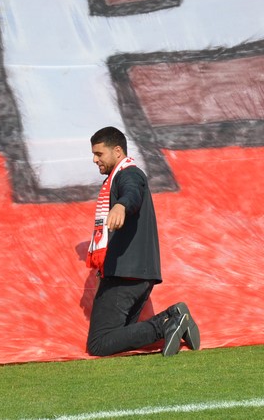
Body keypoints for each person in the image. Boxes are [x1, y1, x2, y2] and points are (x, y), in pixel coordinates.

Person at [85, 126, 200, 356]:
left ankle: (168, 321)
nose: (94, 159)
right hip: (138, 275)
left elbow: (132, 193)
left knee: (99, 343)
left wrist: (121, 205)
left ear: (117, 151)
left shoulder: (128, 174)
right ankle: (173, 318)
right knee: (122, 336)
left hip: (124, 274)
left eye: (99, 154)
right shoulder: (120, 177)